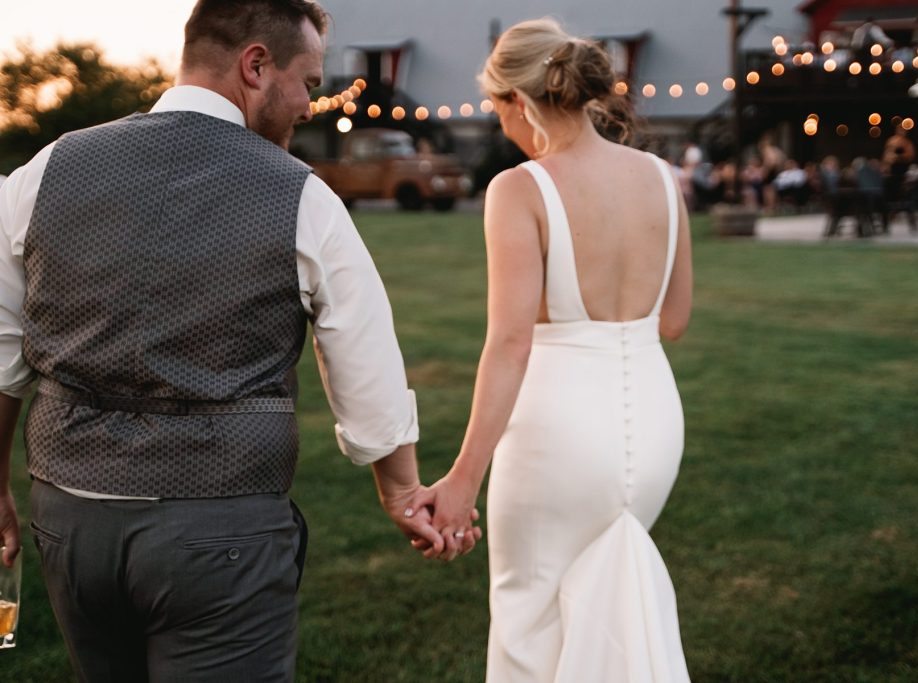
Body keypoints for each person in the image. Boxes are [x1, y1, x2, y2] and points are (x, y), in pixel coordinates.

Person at [0, 1, 477, 680]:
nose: (312, 106)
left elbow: (3, 346)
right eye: (308, 84)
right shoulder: (301, 196)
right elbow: (364, 362)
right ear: (256, 65)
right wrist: (401, 491)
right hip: (220, 529)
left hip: (71, 519)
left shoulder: (47, 170)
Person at [413, 17, 693, 682]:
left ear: (518, 101)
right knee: (611, 594)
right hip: (653, 429)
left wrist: (461, 479)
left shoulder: (520, 188)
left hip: (558, 438)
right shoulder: (661, 177)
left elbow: (510, 344)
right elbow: (673, 319)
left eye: (494, 108)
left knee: (529, 618)